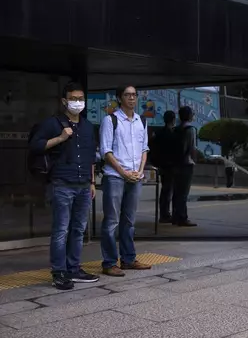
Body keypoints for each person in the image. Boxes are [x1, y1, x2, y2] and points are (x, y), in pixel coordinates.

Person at [29, 82, 99, 290]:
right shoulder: (53, 123)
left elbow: (90, 157)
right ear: (64, 101)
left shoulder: (87, 126)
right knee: (61, 230)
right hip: (62, 183)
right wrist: (60, 138)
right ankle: (59, 271)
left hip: (84, 184)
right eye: (73, 99)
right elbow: (36, 146)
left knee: (78, 229)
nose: (78, 103)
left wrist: (92, 182)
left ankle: (74, 268)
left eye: (81, 99)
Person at [99, 85, 152, 276]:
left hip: (135, 177)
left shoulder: (141, 121)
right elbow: (106, 151)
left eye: (134, 95)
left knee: (129, 221)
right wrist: (124, 172)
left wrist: (138, 171)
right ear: (119, 98)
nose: (131, 98)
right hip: (115, 177)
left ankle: (128, 260)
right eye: (127, 95)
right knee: (111, 221)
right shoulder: (110, 120)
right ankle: (109, 262)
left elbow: (144, 149)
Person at [171, 106, 198, 227]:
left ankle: (175, 216)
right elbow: (191, 147)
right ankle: (182, 217)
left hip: (175, 163)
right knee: (183, 192)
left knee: (176, 191)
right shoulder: (190, 129)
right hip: (186, 163)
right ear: (189, 115)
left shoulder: (175, 129)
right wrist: (194, 159)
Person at [150, 110, 176, 224]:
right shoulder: (173, 134)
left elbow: (151, 145)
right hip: (170, 164)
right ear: (173, 120)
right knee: (168, 190)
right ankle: (165, 214)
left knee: (165, 190)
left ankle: (164, 213)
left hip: (161, 164)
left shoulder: (158, 132)